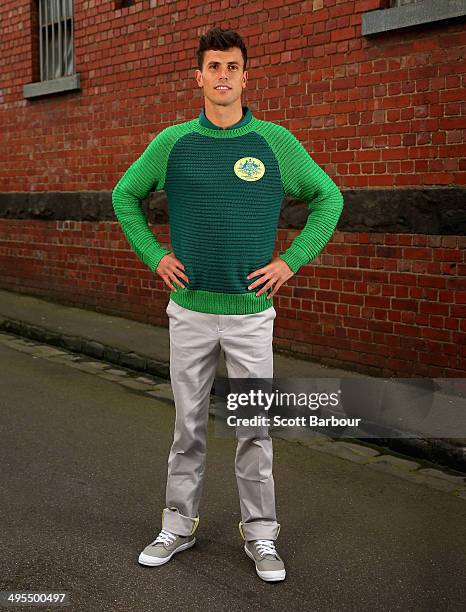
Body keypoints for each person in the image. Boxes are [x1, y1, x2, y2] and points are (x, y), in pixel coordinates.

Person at [112, 27, 344, 582]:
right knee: (187, 426)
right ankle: (177, 525)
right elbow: (125, 195)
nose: (222, 76)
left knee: (254, 429)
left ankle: (261, 535)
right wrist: (154, 255)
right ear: (199, 78)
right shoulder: (172, 144)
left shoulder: (274, 143)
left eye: (232, 67)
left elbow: (328, 198)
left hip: (249, 316)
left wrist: (290, 261)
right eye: (212, 67)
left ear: (246, 75)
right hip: (189, 311)